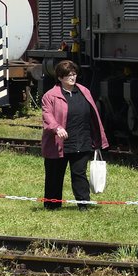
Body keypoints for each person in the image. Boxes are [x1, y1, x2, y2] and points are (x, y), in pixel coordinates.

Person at [41, 60, 109, 210]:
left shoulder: (84, 91)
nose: (72, 77)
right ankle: (52, 205)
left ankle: (83, 205)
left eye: (74, 74)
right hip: (58, 143)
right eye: (68, 75)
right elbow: (47, 115)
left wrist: (97, 137)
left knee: (79, 174)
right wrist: (57, 128)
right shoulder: (50, 95)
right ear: (60, 77)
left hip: (81, 140)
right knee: (54, 175)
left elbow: (93, 115)